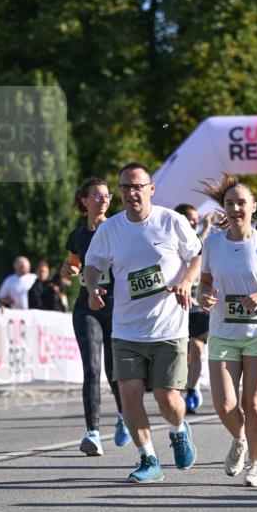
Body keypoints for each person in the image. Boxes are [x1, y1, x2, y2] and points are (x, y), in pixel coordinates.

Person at [84, 162, 202, 481]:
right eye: (125, 187)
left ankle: (178, 430)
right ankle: (148, 459)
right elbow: (93, 263)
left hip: (169, 327)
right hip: (126, 329)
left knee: (167, 398)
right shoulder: (111, 229)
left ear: (151, 188)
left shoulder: (171, 221)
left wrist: (187, 281)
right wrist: (93, 287)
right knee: (130, 396)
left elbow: (196, 255)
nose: (131, 193)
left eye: (137, 186)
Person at [197, 175, 257, 487]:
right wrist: (203, 296)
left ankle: (256, 465)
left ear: (253, 207)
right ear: (224, 208)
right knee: (225, 405)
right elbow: (205, 282)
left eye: (242, 203)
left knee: (254, 403)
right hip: (224, 330)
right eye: (230, 203)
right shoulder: (213, 243)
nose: (236, 208)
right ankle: (239, 440)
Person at [62, 178, 129, 457]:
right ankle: (93, 433)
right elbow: (72, 263)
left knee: (115, 372)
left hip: (116, 306)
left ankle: (125, 416)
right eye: (97, 196)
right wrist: (69, 270)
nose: (103, 200)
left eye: (107, 196)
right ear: (85, 201)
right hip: (86, 306)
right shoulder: (77, 236)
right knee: (91, 368)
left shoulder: (119, 229)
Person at [175, 203, 222, 414]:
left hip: (199, 306)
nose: (194, 222)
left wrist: (207, 227)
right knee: (182, 351)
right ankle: (181, 387)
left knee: (196, 346)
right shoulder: (173, 238)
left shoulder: (206, 240)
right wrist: (205, 227)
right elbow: (194, 247)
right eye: (190, 218)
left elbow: (201, 249)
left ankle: (192, 390)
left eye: (196, 218)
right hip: (179, 306)